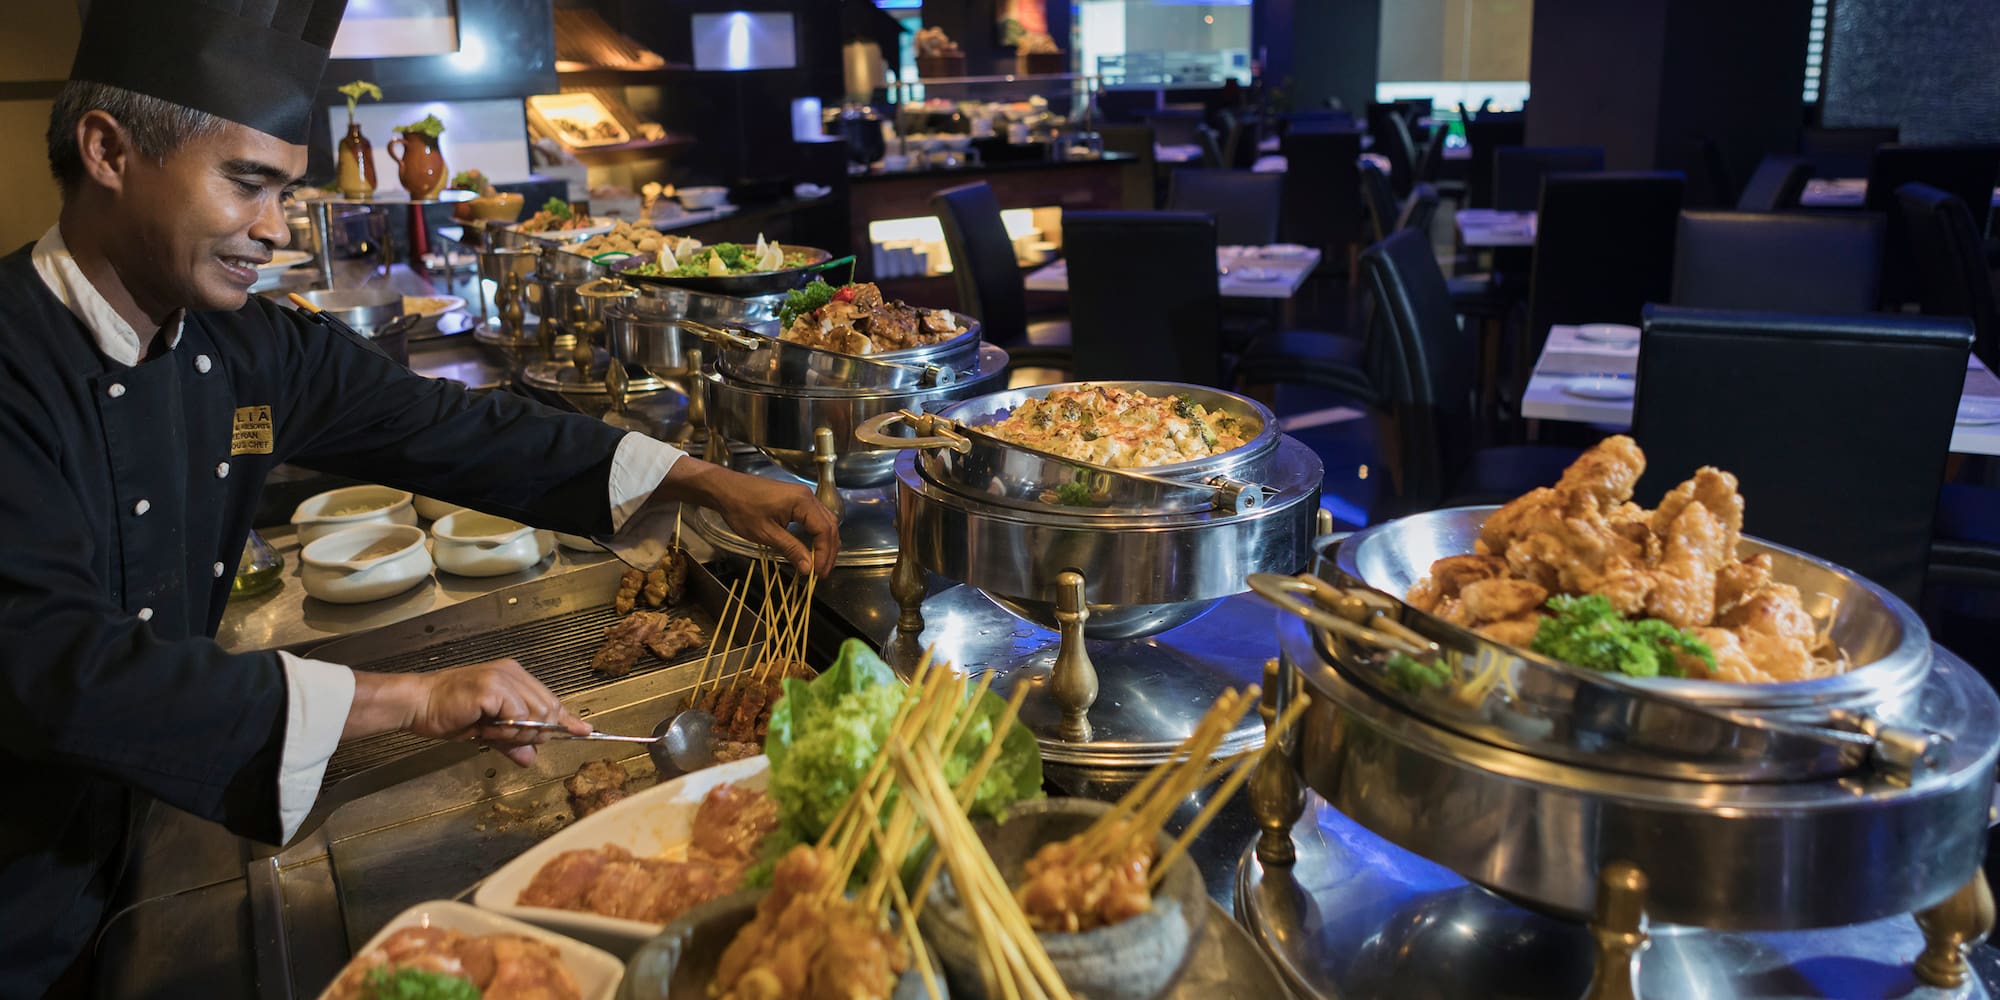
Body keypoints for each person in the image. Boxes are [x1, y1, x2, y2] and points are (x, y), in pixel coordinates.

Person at [0, 0, 837, 992]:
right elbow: (56, 665)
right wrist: (411, 695)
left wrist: (697, 479)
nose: (273, 229)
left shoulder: (240, 346)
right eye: (247, 185)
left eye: (286, 190)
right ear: (108, 150)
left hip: (141, 837)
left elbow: (449, 427)